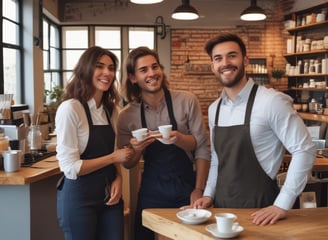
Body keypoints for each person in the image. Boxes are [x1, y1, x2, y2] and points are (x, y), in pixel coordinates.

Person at [193, 33, 316, 225]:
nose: (225, 63)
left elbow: (305, 149)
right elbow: (218, 160)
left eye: (232, 55)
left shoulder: (271, 101)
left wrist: (282, 204)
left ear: (246, 60)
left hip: (262, 213)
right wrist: (209, 194)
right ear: (213, 66)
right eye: (218, 58)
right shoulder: (214, 109)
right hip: (222, 210)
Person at [116, 46, 211, 240]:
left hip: (187, 186)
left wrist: (199, 189)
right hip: (152, 189)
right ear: (133, 78)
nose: (152, 73)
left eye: (155, 67)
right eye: (144, 70)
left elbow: (201, 147)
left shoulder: (186, 101)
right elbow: (128, 163)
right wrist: (135, 149)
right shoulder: (127, 116)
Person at [56, 46, 134, 240]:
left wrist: (119, 177)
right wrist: (114, 157)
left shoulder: (111, 110)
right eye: (100, 66)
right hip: (79, 197)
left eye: (111, 68)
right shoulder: (71, 109)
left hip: (109, 196)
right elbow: (71, 168)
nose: (107, 73)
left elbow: (114, 150)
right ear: (86, 69)